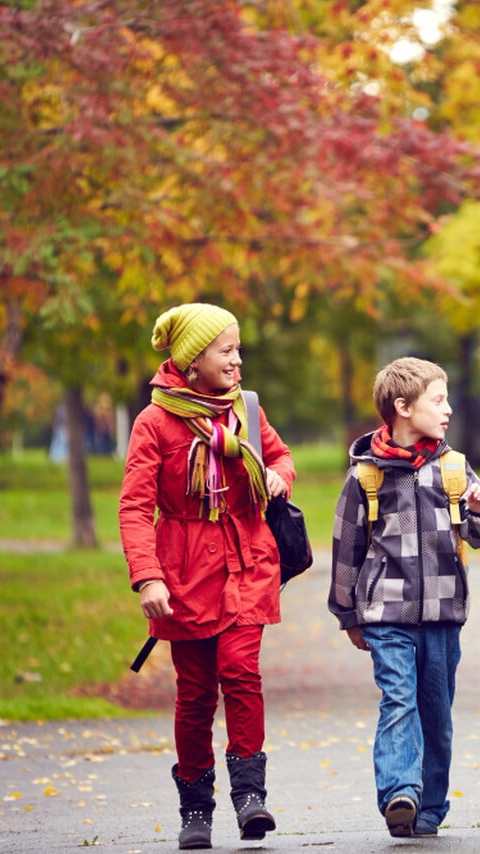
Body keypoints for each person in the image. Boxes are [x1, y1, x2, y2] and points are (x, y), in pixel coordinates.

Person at [118, 303, 296, 850]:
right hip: (185, 570)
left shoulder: (246, 409)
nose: (238, 361)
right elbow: (134, 507)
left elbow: (284, 458)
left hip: (247, 560)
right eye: (227, 351)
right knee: (195, 693)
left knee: (241, 673)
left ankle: (250, 798)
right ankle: (196, 808)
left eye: (238, 350)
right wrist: (148, 577)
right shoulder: (155, 422)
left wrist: (276, 475)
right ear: (193, 361)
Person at [328, 356, 480, 839]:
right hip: (386, 612)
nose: (447, 409)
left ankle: (429, 806)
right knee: (399, 700)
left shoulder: (453, 469)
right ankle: (399, 793)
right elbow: (346, 547)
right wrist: (348, 614)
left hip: (444, 612)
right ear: (403, 408)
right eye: (438, 400)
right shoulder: (366, 476)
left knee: (436, 710)